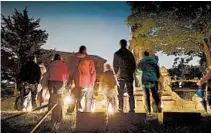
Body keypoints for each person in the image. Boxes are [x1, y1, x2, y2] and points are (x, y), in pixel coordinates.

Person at [67, 45, 96, 113]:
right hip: (85, 82)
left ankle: (71, 109)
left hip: (75, 81)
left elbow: (69, 69)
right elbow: (93, 72)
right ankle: (80, 110)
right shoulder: (89, 60)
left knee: (74, 95)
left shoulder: (73, 58)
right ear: (85, 51)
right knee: (82, 97)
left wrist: (69, 80)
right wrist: (92, 82)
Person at [113, 39, 136, 113]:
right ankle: (132, 108)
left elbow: (115, 66)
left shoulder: (117, 53)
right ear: (126, 44)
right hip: (129, 75)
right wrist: (131, 72)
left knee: (120, 93)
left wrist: (117, 74)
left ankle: (120, 109)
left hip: (121, 76)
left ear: (120, 44)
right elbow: (134, 65)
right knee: (130, 93)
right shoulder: (130, 53)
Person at [47, 54, 69, 129]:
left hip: (51, 82)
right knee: (59, 99)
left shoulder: (51, 64)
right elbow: (66, 75)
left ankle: (53, 118)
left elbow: (48, 73)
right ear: (60, 58)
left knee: (53, 98)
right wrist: (66, 83)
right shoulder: (63, 64)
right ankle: (58, 119)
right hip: (60, 82)